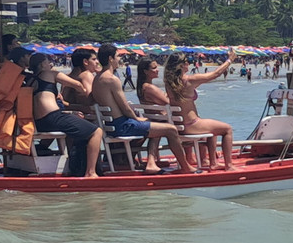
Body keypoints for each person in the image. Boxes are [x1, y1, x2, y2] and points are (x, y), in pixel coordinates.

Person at [91, 43, 194, 173]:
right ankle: (185, 167)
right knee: (171, 129)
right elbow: (125, 108)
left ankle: (149, 163)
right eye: (117, 56)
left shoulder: (97, 79)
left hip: (111, 125)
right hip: (123, 126)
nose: (119, 59)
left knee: (156, 125)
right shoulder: (112, 79)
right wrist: (137, 119)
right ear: (110, 59)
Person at [28, 52, 103, 178]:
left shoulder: (31, 80)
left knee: (75, 124)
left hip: (40, 122)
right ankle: (91, 172)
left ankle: (76, 165)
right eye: (47, 62)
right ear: (41, 65)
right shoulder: (49, 74)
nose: (51, 64)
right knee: (97, 132)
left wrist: (70, 110)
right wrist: (84, 91)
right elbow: (76, 84)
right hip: (52, 117)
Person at [164, 50, 236, 170]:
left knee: (212, 128)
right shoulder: (189, 80)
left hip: (180, 126)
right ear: (181, 65)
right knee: (227, 129)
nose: (189, 63)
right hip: (191, 125)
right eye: (187, 61)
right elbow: (215, 74)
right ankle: (229, 166)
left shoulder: (170, 83)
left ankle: (212, 162)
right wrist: (230, 60)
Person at [135, 56, 171, 174]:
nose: (157, 70)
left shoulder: (142, 87)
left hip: (154, 119)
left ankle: (152, 160)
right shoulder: (149, 88)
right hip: (160, 120)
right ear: (146, 71)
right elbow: (168, 102)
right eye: (154, 68)